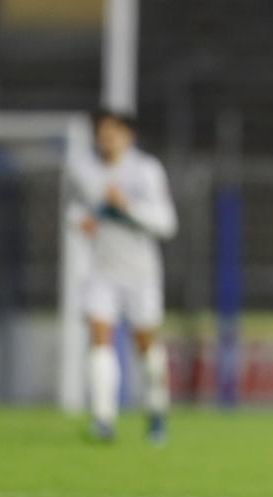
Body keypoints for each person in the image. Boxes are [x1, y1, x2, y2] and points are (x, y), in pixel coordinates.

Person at [64, 109, 177, 442]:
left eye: (112, 132)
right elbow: (73, 210)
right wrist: (79, 221)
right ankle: (103, 418)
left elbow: (167, 223)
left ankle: (156, 409)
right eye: (101, 132)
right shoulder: (82, 168)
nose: (105, 139)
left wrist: (126, 206)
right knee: (99, 336)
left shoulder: (146, 171)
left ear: (129, 136)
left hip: (141, 273)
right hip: (101, 269)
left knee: (145, 343)